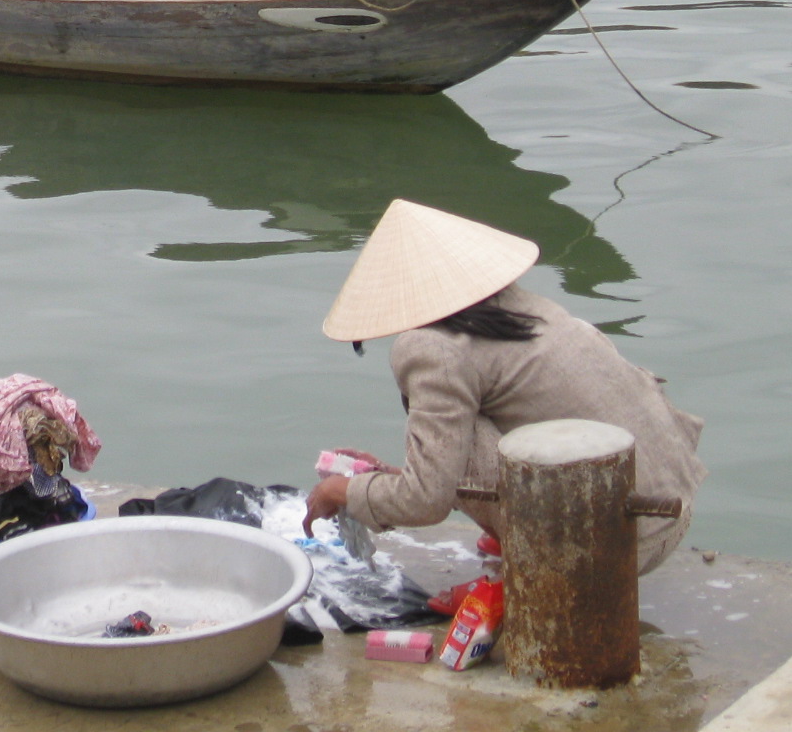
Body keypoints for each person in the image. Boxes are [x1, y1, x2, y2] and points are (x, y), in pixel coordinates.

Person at [302, 199, 706, 580]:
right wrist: (387, 477)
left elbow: (428, 498)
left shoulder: (430, 347)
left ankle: (539, 556)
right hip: (668, 514)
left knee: (459, 435)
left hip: (613, 547)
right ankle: (522, 536)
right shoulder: (527, 306)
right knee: (452, 440)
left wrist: (343, 490)